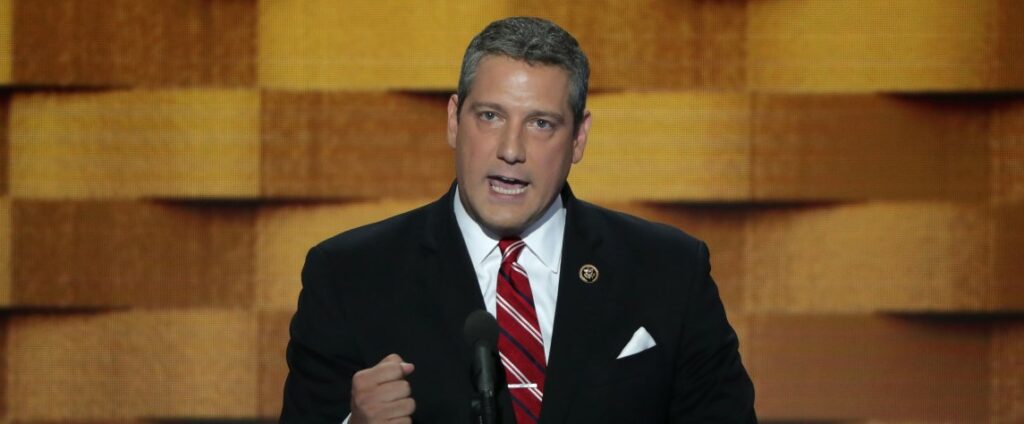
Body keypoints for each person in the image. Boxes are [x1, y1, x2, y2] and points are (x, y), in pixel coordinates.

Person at [281, 16, 756, 423]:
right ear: (453, 119)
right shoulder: (349, 275)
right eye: (490, 116)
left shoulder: (670, 270)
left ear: (579, 138)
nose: (511, 150)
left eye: (541, 123)